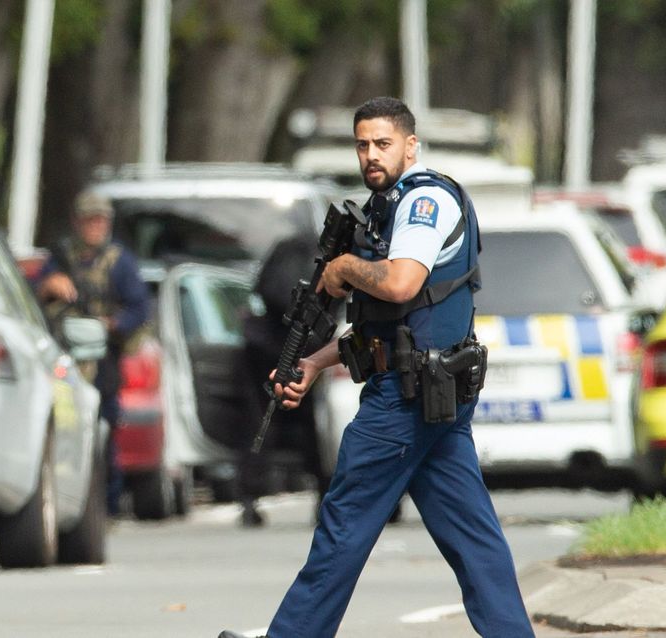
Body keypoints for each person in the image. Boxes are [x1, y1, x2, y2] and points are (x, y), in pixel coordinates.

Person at [219, 97, 534, 638]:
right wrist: (315, 362)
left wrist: (344, 265)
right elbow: (389, 325)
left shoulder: (422, 202)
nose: (371, 155)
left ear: (410, 145)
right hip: (433, 392)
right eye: (362, 144)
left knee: (342, 529)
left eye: (383, 144)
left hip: (404, 401)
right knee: (474, 541)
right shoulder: (389, 207)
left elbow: (401, 284)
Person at [36, 191, 151, 517]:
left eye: (101, 220)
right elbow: (35, 294)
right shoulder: (60, 258)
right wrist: (49, 286)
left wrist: (111, 325)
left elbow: (139, 308)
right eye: (90, 220)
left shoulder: (120, 262)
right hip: (64, 358)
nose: (95, 227)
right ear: (78, 222)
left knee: (103, 429)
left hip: (102, 361)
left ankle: (107, 505)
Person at [238, 234, 331, 527]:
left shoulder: (286, 252)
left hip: (279, 349)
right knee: (310, 428)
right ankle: (324, 493)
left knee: (264, 425)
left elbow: (263, 288)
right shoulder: (312, 255)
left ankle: (251, 498)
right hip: (298, 350)